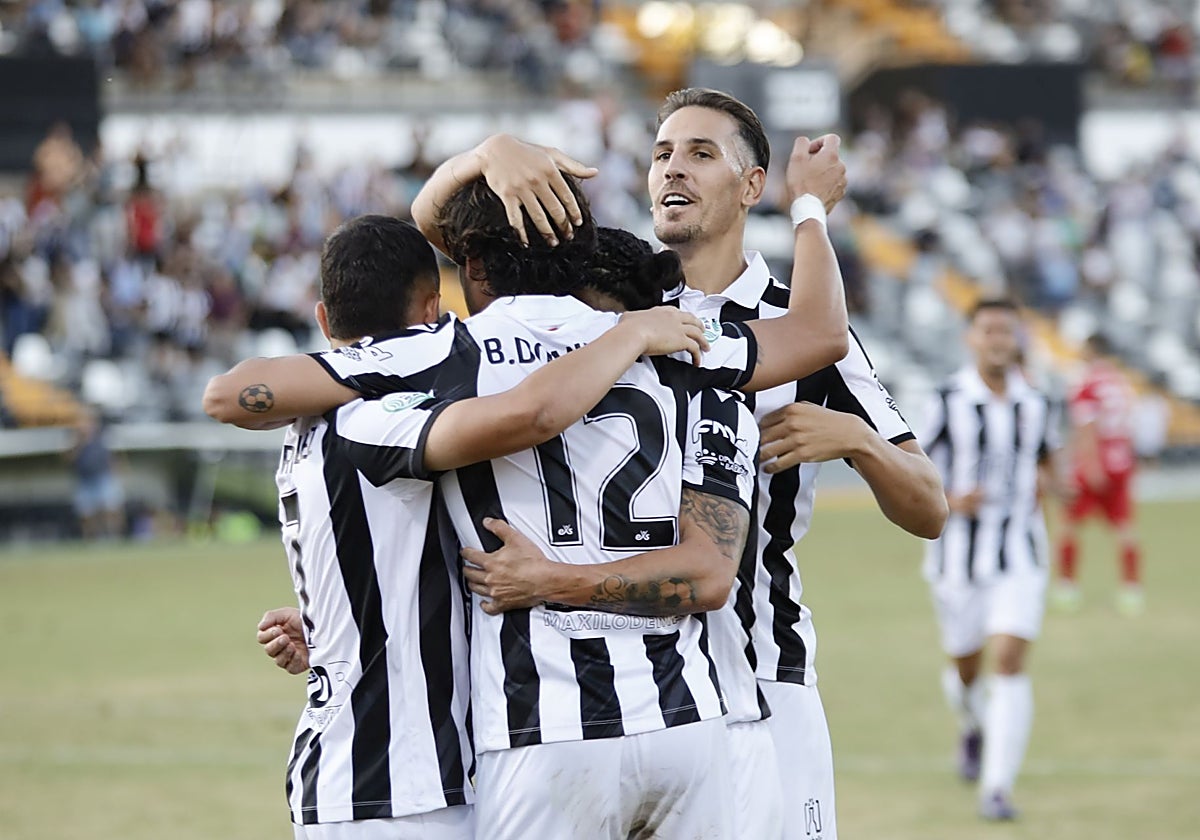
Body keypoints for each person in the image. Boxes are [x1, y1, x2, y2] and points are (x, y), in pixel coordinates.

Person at [226, 136, 849, 837]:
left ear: (471, 265)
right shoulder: (679, 343)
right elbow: (822, 335)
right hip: (689, 717)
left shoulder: (450, 351)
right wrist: (808, 209)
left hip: (543, 727)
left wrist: (483, 156)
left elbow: (239, 393)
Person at [444, 87, 947, 840]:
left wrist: (859, 441)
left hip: (763, 678)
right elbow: (456, 241)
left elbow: (930, 504)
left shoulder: (793, 324)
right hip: (625, 696)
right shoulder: (610, 305)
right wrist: (490, 153)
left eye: (701, 154)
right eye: (661, 155)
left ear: (750, 186)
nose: (672, 170)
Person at [205, 214, 714, 840]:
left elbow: (374, 557)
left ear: (323, 320)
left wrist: (337, 635)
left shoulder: (314, 421)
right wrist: (625, 334)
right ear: (431, 310)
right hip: (395, 780)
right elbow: (528, 414)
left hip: (371, 769)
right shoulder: (376, 418)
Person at [919, 298, 1063, 821]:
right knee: (966, 669)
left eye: (1007, 331)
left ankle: (996, 789)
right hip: (957, 559)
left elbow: (1046, 458)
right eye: (988, 330)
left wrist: (1054, 486)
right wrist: (949, 500)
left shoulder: (1038, 402)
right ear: (971, 339)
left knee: (1008, 660)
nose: (998, 340)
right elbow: (907, 466)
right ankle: (972, 725)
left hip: (1020, 552)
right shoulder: (946, 400)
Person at [1054, 332, 1143, 616]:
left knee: (1069, 524)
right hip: (1121, 463)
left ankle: (1067, 588)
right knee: (1125, 528)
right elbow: (1128, 425)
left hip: (1094, 464)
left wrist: (1090, 465)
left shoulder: (1086, 384)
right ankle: (1131, 590)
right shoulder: (1120, 382)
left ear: (1090, 350)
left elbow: (1087, 428)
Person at [68, 408, 125, 539]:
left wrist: (117, 470)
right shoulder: (75, 438)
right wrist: (79, 442)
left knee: (111, 508)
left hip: (103, 476)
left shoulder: (103, 436)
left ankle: (114, 536)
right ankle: (92, 539)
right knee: (86, 513)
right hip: (85, 479)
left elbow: (114, 456)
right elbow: (68, 459)